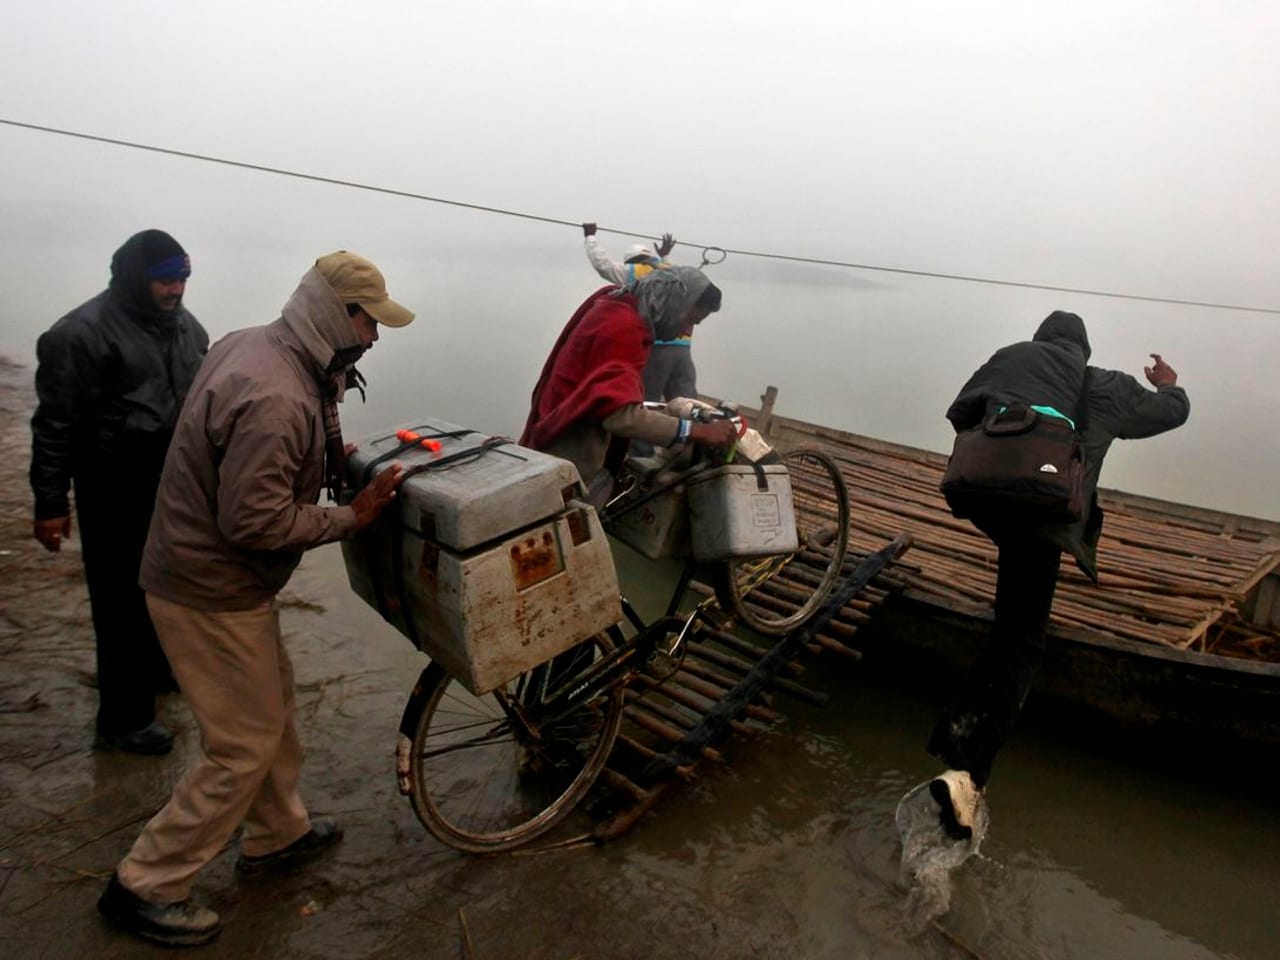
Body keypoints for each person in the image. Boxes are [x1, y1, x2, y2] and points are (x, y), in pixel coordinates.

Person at [96, 251, 414, 947]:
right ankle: (145, 883)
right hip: (209, 588)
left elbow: (251, 454)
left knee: (271, 707)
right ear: (335, 315)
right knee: (241, 744)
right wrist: (352, 515)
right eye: (367, 320)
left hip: (204, 574)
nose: (374, 336)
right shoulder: (278, 396)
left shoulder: (257, 344)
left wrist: (327, 456)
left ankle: (277, 832)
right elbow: (255, 522)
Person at [928, 310, 1190, 839]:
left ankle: (955, 737)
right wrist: (1171, 386)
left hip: (993, 505)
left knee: (1008, 626)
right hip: (1046, 519)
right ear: (1084, 352)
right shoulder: (1108, 387)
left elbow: (959, 414)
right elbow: (1169, 414)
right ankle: (969, 775)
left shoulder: (1011, 359)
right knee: (1023, 645)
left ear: (1041, 341)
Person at [30, 229, 208, 755]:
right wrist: (49, 503)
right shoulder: (78, 335)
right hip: (112, 487)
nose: (175, 290)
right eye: (164, 281)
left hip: (171, 484)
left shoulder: (186, 328)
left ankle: (156, 673)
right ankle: (123, 720)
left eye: (181, 279)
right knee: (121, 602)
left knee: (167, 584)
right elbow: (54, 426)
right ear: (136, 278)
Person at [521, 265, 738, 504]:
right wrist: (697, 431)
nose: (686, 331)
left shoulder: (615, 300)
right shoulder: (624, 327)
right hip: (569, 452)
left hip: (553, 426)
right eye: (691, 320)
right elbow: (619, 416)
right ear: (674, 302)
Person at [581, 222, 698, 406]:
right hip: (683, 349)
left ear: (631, 260)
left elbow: (603, 264)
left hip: (656, 348)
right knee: (688, 404)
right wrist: (665, 254)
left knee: (645, 402)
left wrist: (590, 237)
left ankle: (642, 435)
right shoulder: (670, 271)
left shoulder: (633, 272)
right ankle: (696, 433)